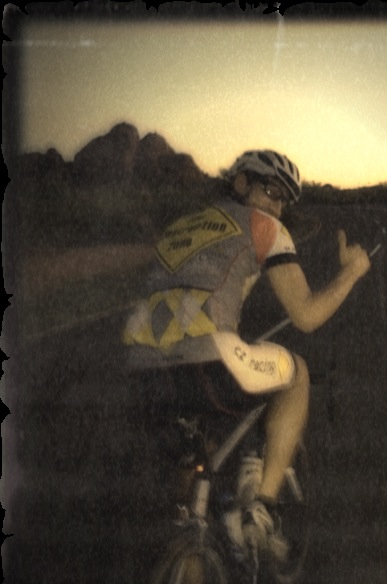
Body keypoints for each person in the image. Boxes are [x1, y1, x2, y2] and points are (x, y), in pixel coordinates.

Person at [122, 149, 371, 557]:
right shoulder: (265, 226)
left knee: (189, 500)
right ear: (241, 182)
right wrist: (351, 273)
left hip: (141, 369)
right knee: (296, 374)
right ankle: (263, 509)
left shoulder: (180, 226)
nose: (276, 206)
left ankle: (189, 579)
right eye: (270, 191)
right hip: (208, 364)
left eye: (283, 200)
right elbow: (306, 315)